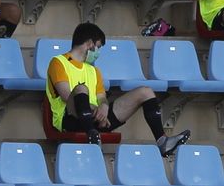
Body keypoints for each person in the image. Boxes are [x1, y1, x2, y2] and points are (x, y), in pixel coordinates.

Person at [45, 23, 191, 155]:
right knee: (81, 88)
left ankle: (162, 141)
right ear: (89, 44)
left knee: (145, 91)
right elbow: (66, 96)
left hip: (96, 119)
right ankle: (92, 137)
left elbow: (101, 97)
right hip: (70, 120)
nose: (98, 52)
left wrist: (103, 106)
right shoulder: (58, 63)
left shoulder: (93, 70)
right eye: (98, 46)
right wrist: (97, 110)